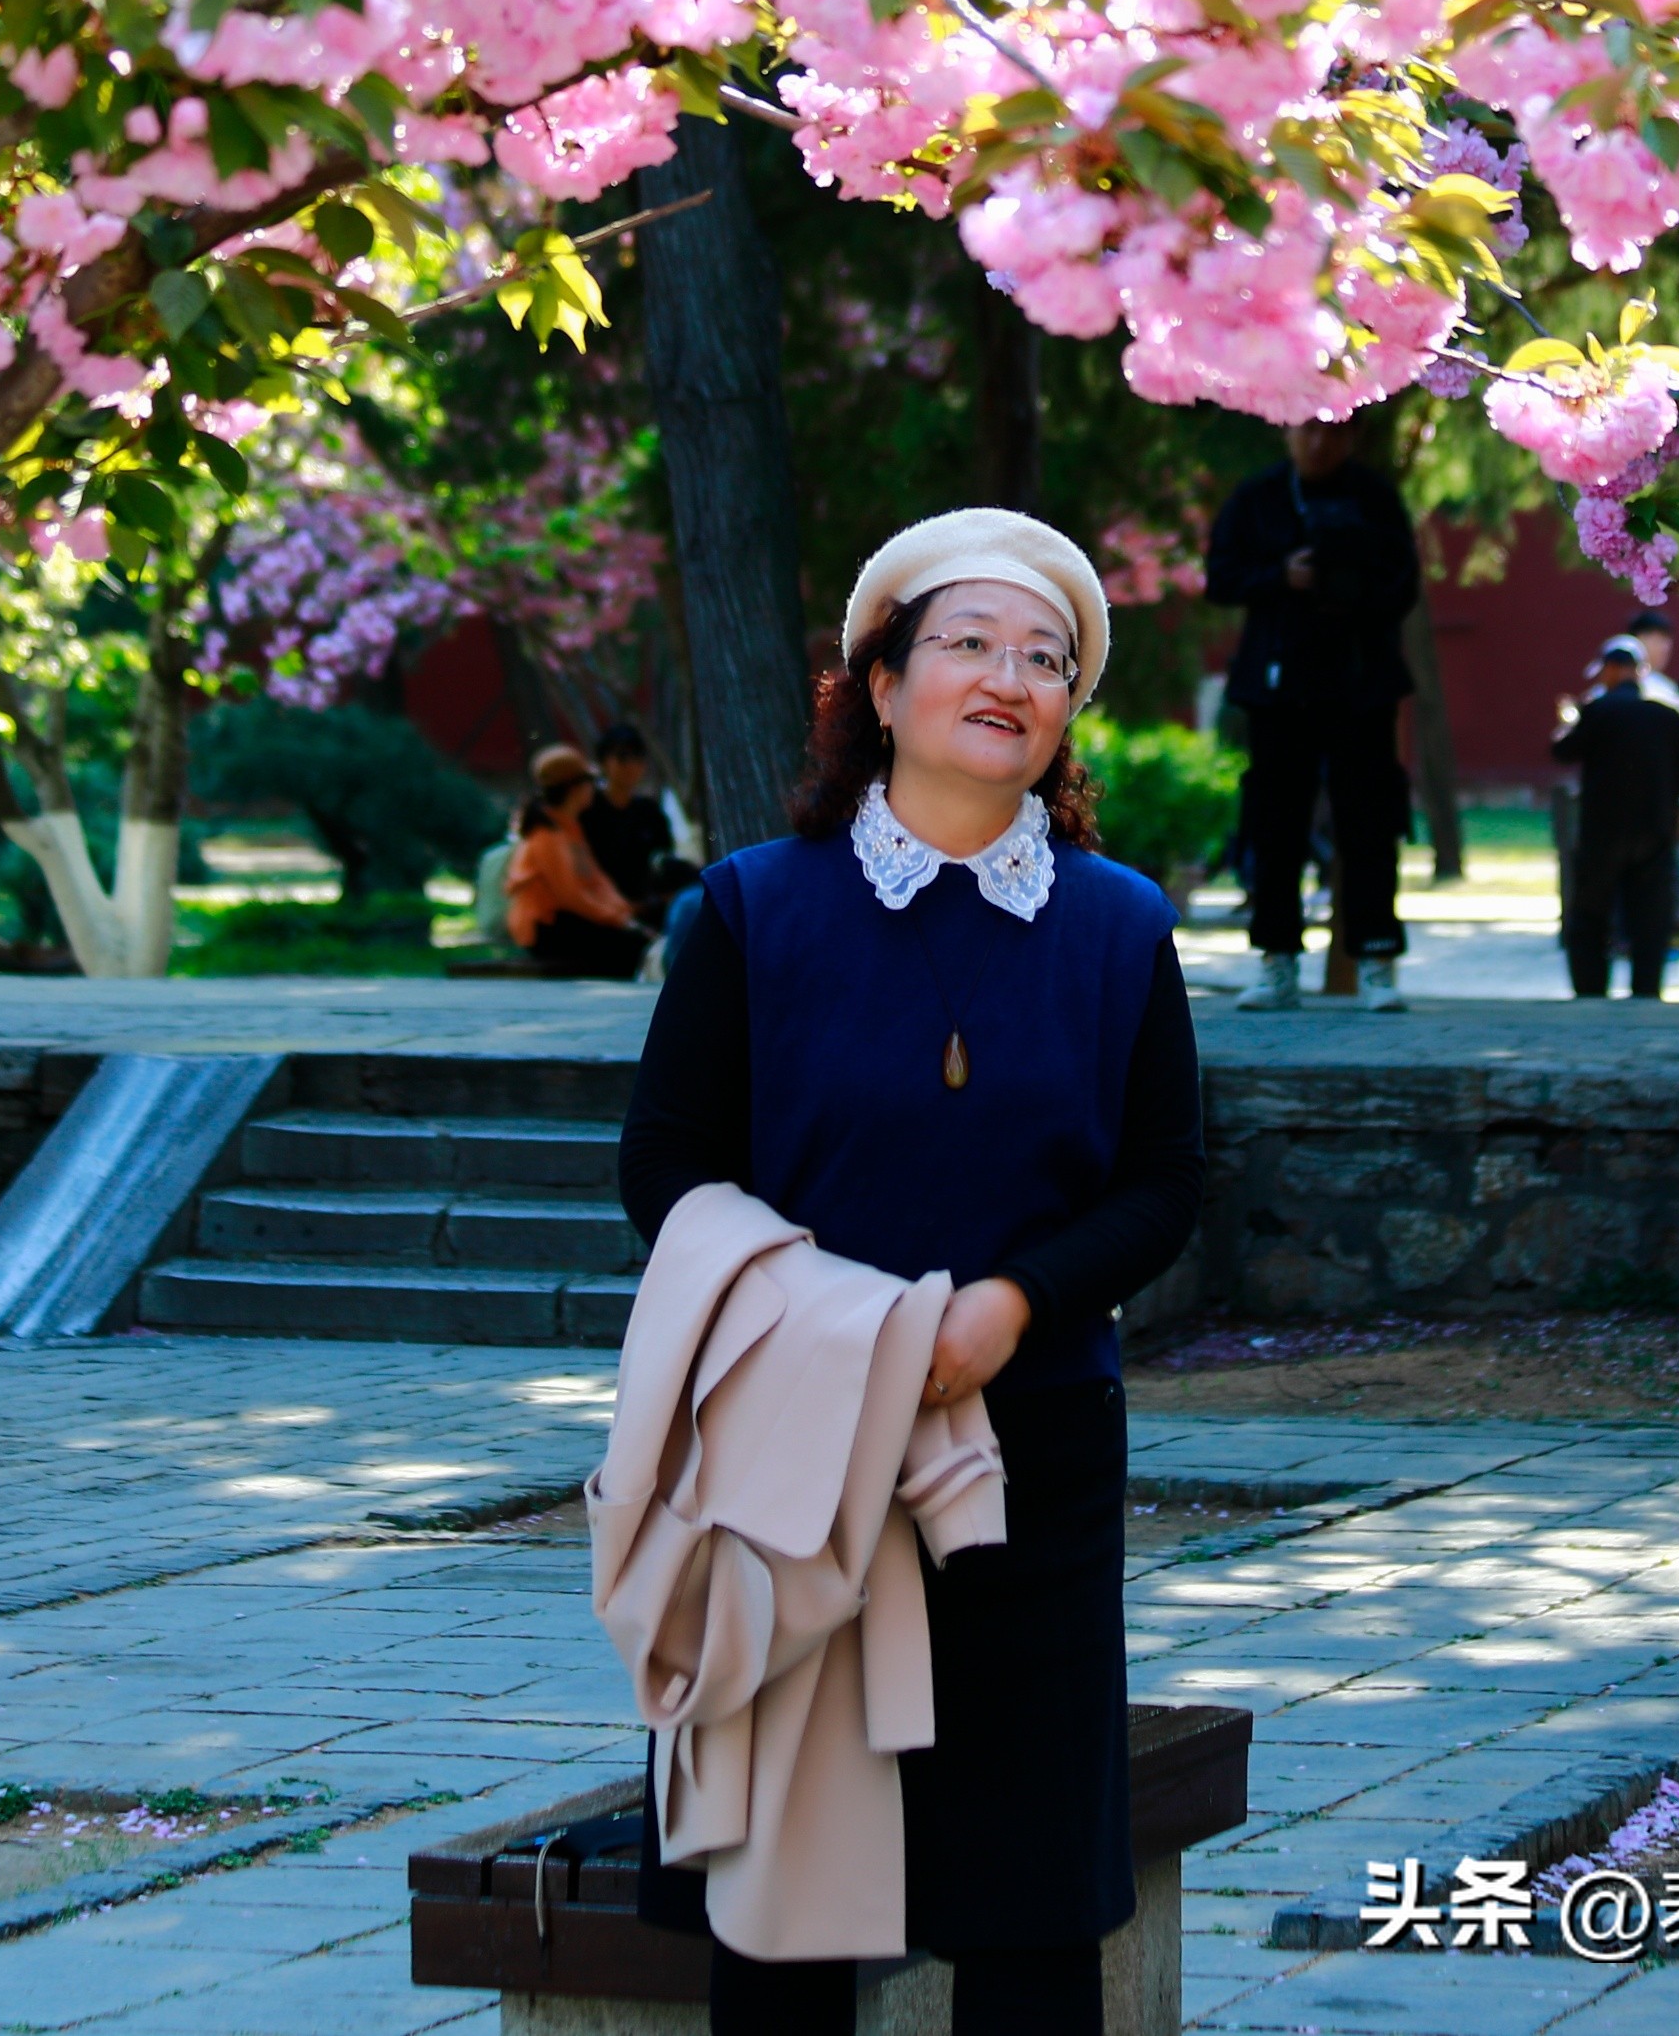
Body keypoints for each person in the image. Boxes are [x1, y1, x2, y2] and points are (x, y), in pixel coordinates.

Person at [618, 507, 1203, 2036]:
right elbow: (665, 1167)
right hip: (792, 1454)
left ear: (1066, 709)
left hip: (1029, 1459)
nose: (1008, 677)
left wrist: (1012, 1304)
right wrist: (835, 1322)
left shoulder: (1118, 927)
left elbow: (1161, 1184)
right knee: (787, 1908)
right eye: (967, 643)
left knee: (1026, 1904)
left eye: (1045, 658)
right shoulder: (752, 908)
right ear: (878, 684)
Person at [1206, 416, 1421, 1013]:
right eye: (1308, 431)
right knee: (1275, 825)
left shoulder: (1374, 497)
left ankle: (1376, 960)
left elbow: (1404, 583)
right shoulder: (1259, 497)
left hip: (1361, 683)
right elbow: (1219, 577)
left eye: (1334, 432)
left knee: (1370, 825)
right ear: (1287, 432)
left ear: (1352, 436)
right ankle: (1277, 961)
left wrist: (1351, 585)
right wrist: (1282, 577)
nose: (1320, 443)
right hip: (1279, 686)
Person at [1551, 637, 1679, 998]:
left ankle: (1591, 990)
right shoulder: (1672, 712)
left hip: (1603, 831)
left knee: (1592, 914)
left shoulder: (1597, 709)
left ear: (1612, 670)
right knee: (1651, 917)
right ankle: (1646, 991)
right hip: (1656, 830)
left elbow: (1563, 750)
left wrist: (1569, 719)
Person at [507, 743, 650, 977]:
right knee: (627, 947)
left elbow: (596, 880)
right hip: (548, 926)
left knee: (636, 937)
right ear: (575, 788)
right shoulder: (547, 836)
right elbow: (571, 896)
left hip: (570, 918)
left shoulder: (569, 829)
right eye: (589, 782)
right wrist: (616, 918)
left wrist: (622, 910)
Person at [579, 721, 697, 911]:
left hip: (649, 906)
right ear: (604, 762)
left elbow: (663, 861)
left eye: (638, 757)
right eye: (622, 757)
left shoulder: (650, 812)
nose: (631, 765)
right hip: (602, 908)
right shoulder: (588, 812)